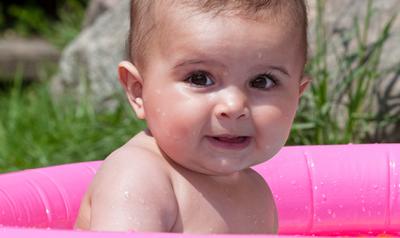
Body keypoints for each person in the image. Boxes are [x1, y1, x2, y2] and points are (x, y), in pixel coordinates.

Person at [75, 0, 310, 234]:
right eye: (200, 78)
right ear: (138, 91)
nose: (234, 105)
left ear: (296, 97)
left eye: (262, 81)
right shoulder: (139, 176)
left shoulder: (255, 191)